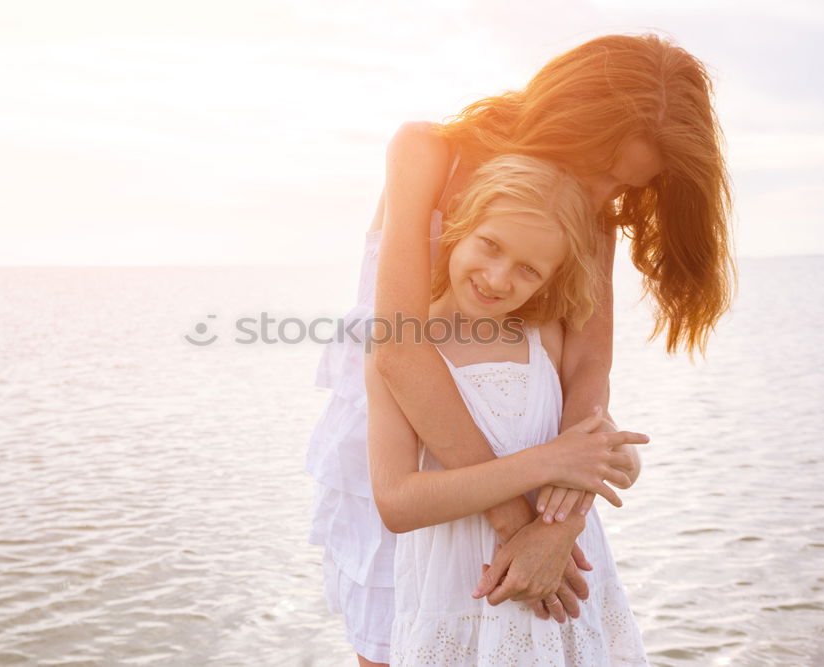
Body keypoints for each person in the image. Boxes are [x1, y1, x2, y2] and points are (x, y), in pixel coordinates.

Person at [307, 33, 734, 665]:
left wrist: (559, 527)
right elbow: (399, 349)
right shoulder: (428, 153)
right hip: (399, 427)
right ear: (568, 120)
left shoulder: (586, 214)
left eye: (624, 186)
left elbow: (589, 363)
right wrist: (515, 524)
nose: (601, 196)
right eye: (601, 167)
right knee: (399, 639)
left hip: (515, 441)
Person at [367, 153, 650, 664]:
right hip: (460, 599)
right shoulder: (406, 350)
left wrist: (618, 461)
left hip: (568, 602)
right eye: (490, 245)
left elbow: (609, 459)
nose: (498, 279)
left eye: (528, 269)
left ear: (550, 279)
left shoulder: (545, 339)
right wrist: (544, 464)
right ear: (459, 227)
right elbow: (397, 503)